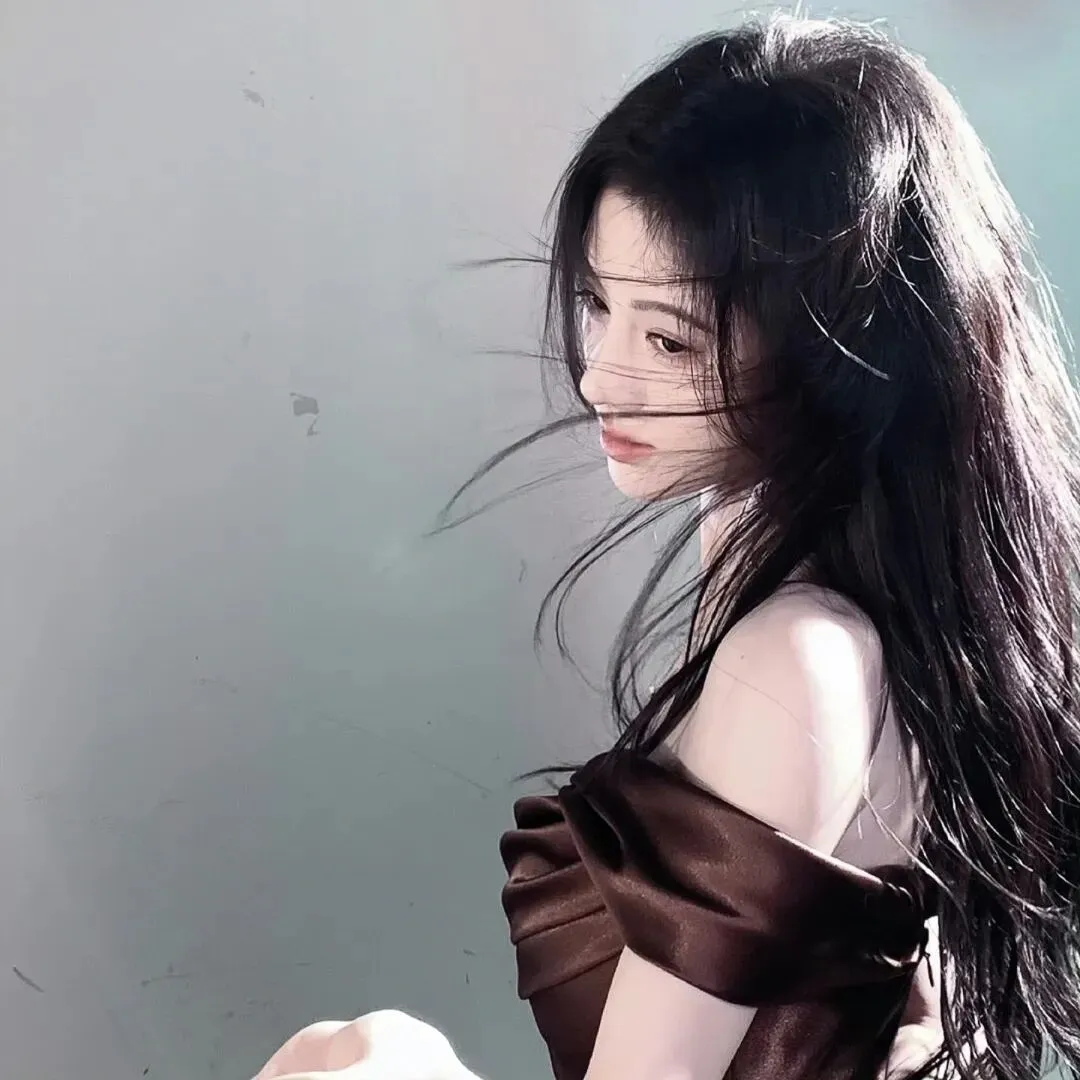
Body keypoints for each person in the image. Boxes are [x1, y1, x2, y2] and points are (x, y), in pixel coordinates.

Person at [253, 12, 1080, 1080]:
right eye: (598, 306)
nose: (600, 376)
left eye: (669, 338)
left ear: (838, 351)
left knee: (366, 1059)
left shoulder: (800, 660)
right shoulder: (878, 595)